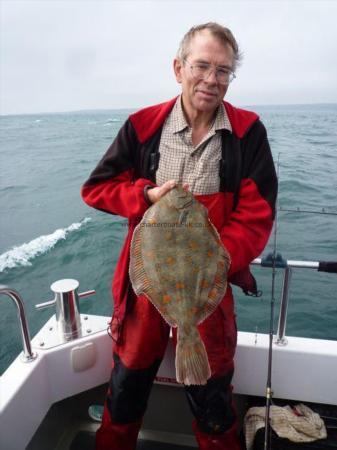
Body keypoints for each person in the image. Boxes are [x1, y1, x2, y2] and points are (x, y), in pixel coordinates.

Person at [81, 22, 277, 450]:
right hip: (146, 292)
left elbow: (257, 215)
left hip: (209, 286)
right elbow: (96, 189)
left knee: (214, 406)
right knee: (126, 392)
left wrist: (213, 259)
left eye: (223, 71)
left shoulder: (248, 132)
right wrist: (144, 194)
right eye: (201, 66)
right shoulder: (143, 125)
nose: (211, 79)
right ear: (178, 68)